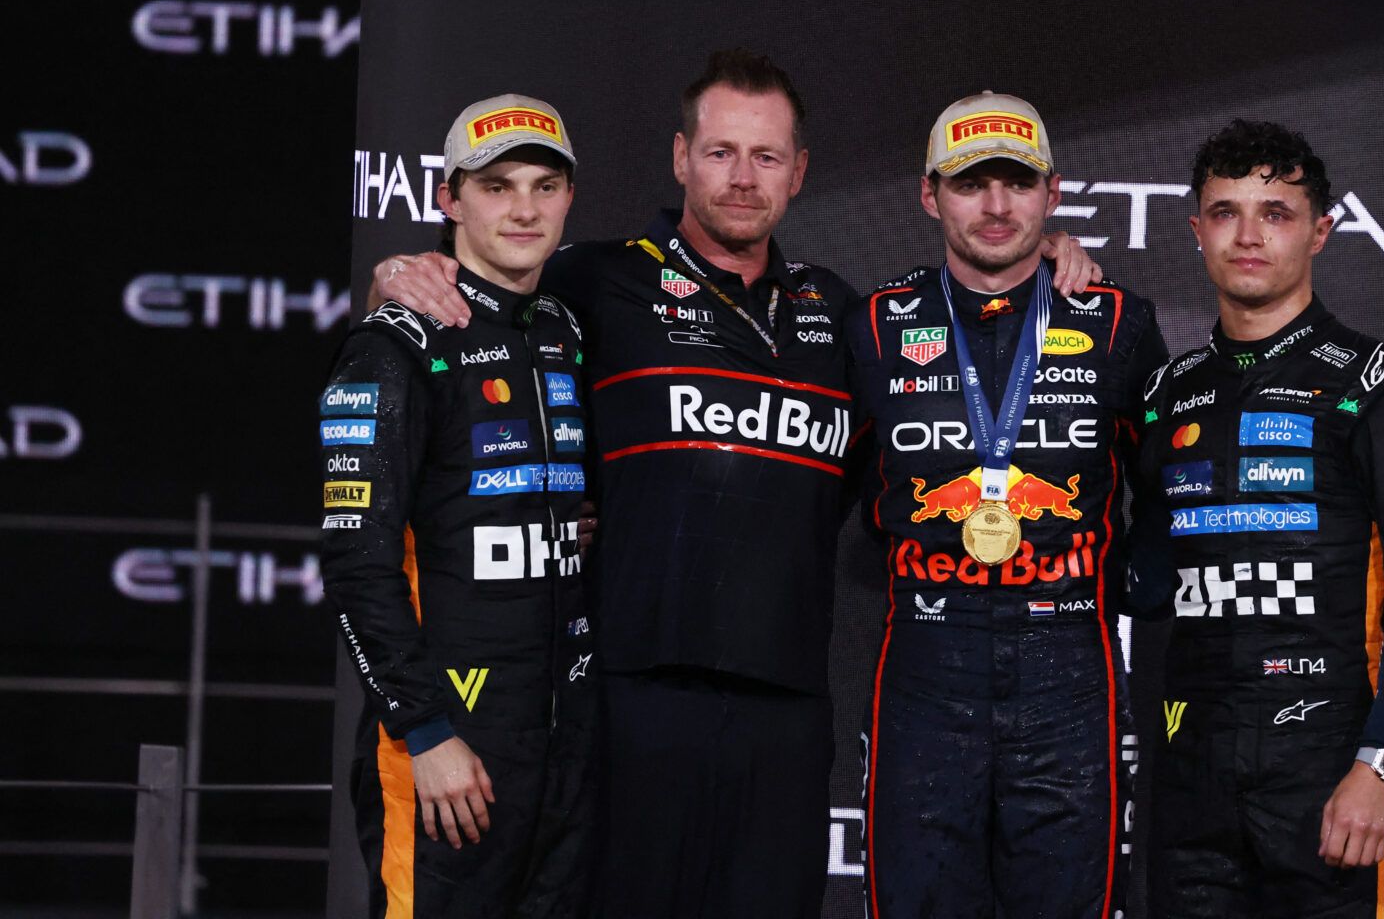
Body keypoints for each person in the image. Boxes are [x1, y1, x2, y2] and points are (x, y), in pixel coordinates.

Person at [368, 54, 1101, 918]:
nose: (742, 179)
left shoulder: (840, 315)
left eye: (764, 156)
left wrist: (1047, 258)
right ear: (681, 158)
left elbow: (956, 362)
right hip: (629, 700)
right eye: (720, 153)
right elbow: (485, 288)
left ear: (799, 172)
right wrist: (410, 270)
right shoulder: (592, 282)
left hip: (786, 714)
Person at [851, 91, 1168, 919]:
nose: (996, 207)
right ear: (930, 195)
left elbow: (1170, 500)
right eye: (970, 184)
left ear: (1052, 194)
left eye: (1017, 184)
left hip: (1069, 665)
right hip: (925, 662)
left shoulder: (1118, 324)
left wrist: (1108, 589)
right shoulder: (874, 327)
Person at [1135, 119, 1384, 918]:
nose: (1248, 235)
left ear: (1320, 230)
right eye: (1225, 212)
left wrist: (1380, 767)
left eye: (1275, 213)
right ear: (1196, 230)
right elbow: (1143, 581)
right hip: (1189, 781)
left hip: (1327, 777)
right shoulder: (1165, 392)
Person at [319, 93, 595, 918]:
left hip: (562, 747)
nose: (523, 208)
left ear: (570, 197)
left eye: (545, 186)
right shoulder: (392, 344)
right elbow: (356, 561)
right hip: (448, 751)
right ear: (449, 199)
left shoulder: (565, 330)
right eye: (497, 185)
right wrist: (425, 731)